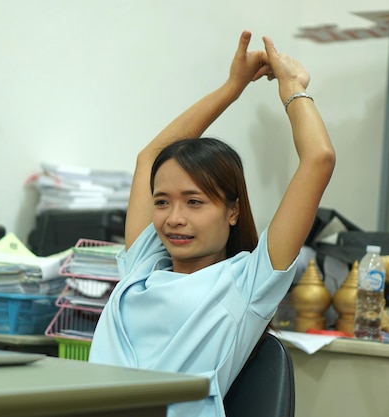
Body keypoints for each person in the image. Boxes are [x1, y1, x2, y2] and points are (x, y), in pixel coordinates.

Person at [88, 30, 335, 417]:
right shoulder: (143, 267)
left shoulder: (246, 284)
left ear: (232, 211)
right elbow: (150, 156)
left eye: (194, 202)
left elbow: (318, 158)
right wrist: (231, 88)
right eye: (162, 202)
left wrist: (292, 87)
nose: (174, 219)